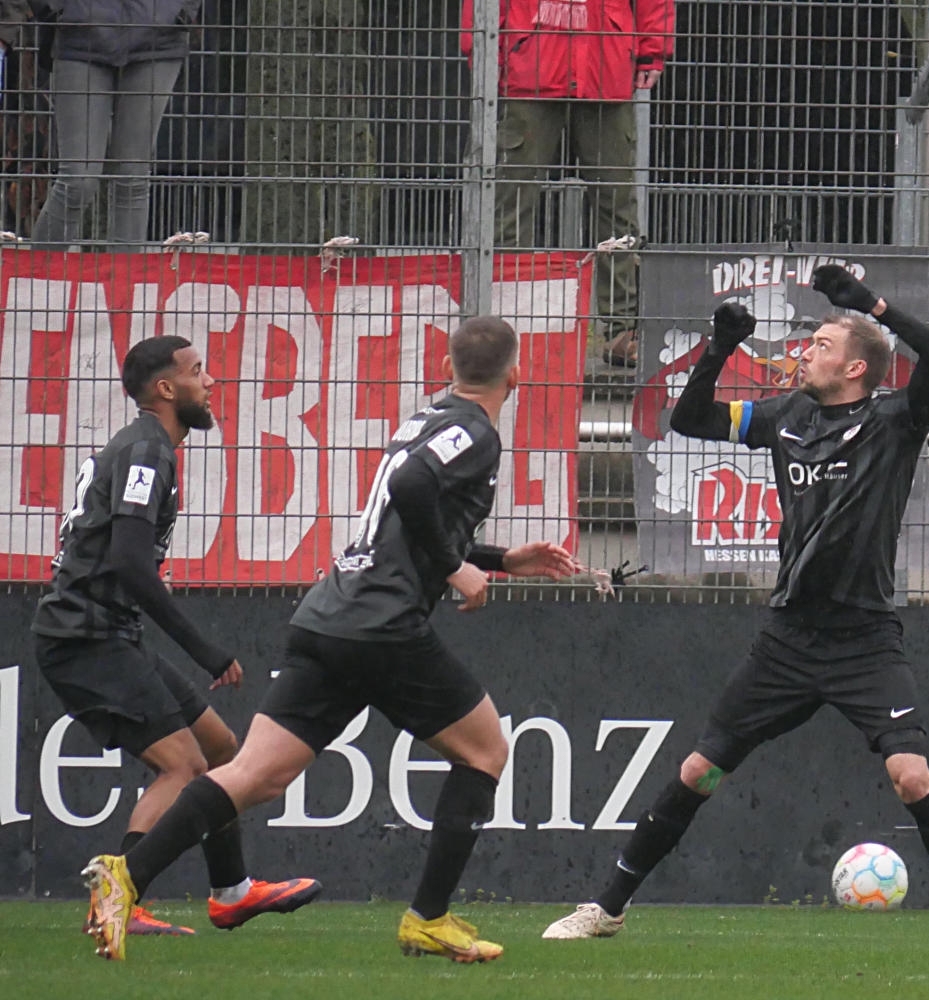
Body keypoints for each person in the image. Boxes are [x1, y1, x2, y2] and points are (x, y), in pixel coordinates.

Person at [79, 316, 580, 962]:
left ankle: (128, 874)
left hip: (329, 615)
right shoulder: (476, 432)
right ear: (516, 375)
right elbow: (411, 488)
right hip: (382, 625)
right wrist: (455, 567)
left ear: (448, 369)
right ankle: (429, 918)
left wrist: (499, 559)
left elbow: (402, 516)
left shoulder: (427, 418)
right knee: (485, 750)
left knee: (254, 774)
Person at [541, 265, 929, 947]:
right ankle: (606, 907)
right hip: (788, 640)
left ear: (855, 367)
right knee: (700, 770)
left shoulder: (894, 421)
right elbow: (690, 418)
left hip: (864, 640)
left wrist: (870, 304)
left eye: (820, 344)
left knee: (910, 775)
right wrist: (719, 348)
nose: (804, 352)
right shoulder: (786, 416)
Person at [33, 336, 320, 949]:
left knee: (220, 748)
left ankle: (232, 892)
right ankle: (122, 898)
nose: (210, 381)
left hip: (107, 630)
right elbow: (130, 564)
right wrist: (204, 649)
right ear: (165, 389)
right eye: (197, 371)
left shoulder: (147, 446)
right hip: (84, 636)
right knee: (183, 766)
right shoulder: (147, 452)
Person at [460, 0, 676, 368]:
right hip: (539, 64)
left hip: (577, 62)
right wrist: (482, 49)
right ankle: (504, 327)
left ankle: (619, 329)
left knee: (612, 206)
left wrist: (652, 50)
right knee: (511, 204)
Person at [26, 0, 197, 249]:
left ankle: (123, 274)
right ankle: (38, 271)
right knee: (78, 180)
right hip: (80, 34)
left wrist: (181, 11)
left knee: (132, 177)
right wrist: (57, 8)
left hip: (159, 34)